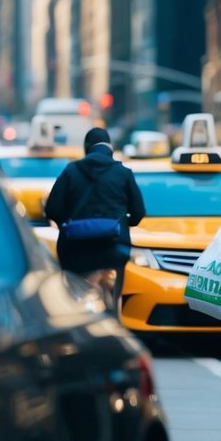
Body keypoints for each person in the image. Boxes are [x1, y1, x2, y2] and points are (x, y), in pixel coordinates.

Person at [45, 126, 145, 310]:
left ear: (87, 148)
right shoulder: (123, 173)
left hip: (76, 251)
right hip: (113, 249)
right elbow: (138, 213)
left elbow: (52, 209)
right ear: (110, 148)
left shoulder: (71, 171)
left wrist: (68, 225)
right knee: (112, 300)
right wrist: (121, 224)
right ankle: (112, 319)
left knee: (74, 302)